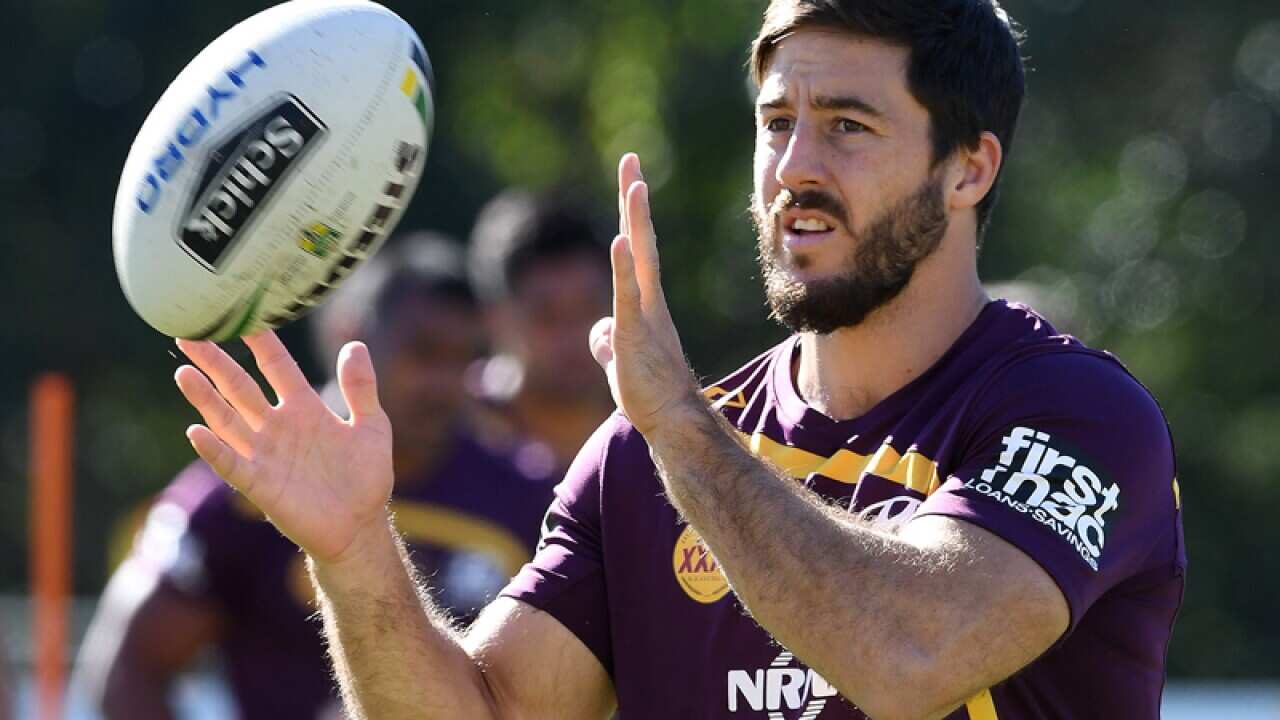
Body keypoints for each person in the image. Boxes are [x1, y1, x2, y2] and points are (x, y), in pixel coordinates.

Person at [170, 1, 1185, 718]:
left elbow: (910, 656)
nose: (794, 170)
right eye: (777, 123)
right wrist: (354, 553)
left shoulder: (1074, 419)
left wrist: (682, 436)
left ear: (967, 167)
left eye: (846, 126)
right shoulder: (641, 453)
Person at [77, 234, 556, 720]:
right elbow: (128, 667)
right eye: (422, 351)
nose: (441, 382)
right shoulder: (241, 496)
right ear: (347, 335)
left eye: (461, 358)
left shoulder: (528, 498)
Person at [466, 190, 615, 471]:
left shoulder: (662, 441)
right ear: (493, 318)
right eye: (547, 316)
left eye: (589, 309)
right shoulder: (447, 432)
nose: (574, 334)